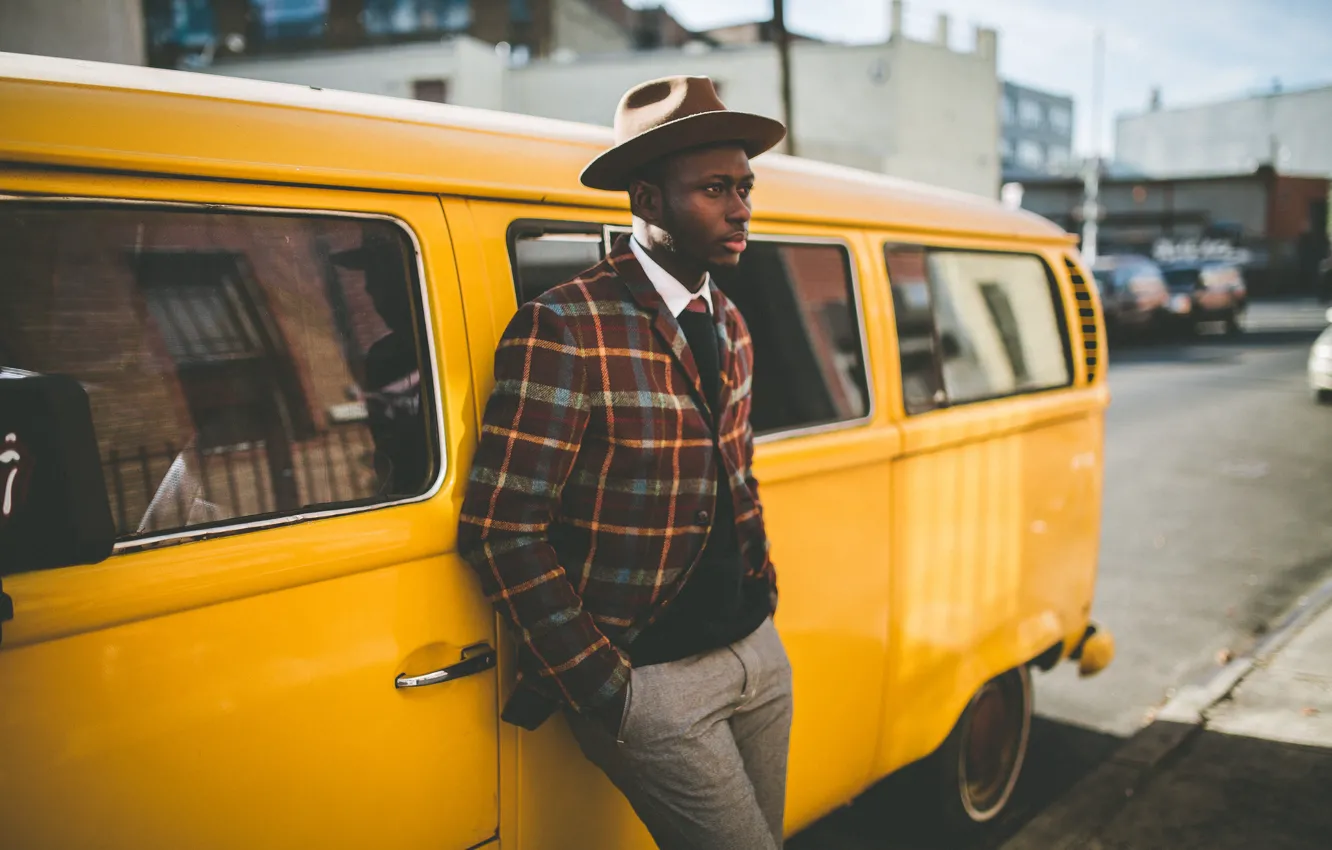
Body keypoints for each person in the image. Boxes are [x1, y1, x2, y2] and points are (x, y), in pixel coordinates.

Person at [457, 76, 793, 850]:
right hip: (653, 683)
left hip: (756, 654)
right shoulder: (564, 327)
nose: (741, 207)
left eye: (744, 186)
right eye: (715, 189)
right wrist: (603, 690)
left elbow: (734, 476)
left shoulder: (731, 321)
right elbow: (501, 530)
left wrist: (764, 596)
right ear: (646, 198)